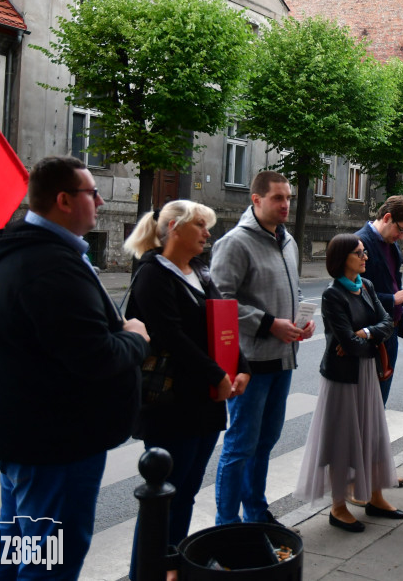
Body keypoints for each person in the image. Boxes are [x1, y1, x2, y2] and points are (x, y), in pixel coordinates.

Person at [0, 156, 150, 579]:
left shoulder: (24, 252)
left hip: (25, 435)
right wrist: (136, 338)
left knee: (14, 539)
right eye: (92, 192)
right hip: (57, 444)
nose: (102, 201)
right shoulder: (51, 266)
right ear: (64, 200)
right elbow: (96, 356)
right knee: (50, 559)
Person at [123, 201, 251, 579]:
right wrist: (217, 374)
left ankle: (171, 566)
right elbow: (171, 337)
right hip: (172, 403)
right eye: (200, 225)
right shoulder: (152, 275)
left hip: (205, 401)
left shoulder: (199, 270)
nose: (207, 233)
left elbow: (222, 321)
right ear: (175, 228)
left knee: (186, 492)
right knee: (164, 498)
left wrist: (240, 367)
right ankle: (146, 571)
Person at [212, 171, 316, 526]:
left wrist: (303, 318)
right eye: (277, 198)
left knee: (266, 440)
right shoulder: (235, 243)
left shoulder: (288, 241)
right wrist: (270, 322)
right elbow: (220, 302)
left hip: (283, 360)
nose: (286, 204)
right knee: (241, 445)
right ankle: (226, 524)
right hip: (250, 362)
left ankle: (256, 511)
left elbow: (295, 290)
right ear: (256, 200)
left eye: (288, 197)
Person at [295, 234, 403, 532]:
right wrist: (362, 338)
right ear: (343, 257)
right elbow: (345, 341)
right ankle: (338, 506)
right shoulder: (333, 295)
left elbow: (387, 324)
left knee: (371, 433)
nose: (365, 257)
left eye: (365, 252)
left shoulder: (367, 286)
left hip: (367, 372)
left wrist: (365, 334)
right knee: (342, 440)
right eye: (359, 253)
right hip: (343, 378)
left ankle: (375, 496)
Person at [355, 195, 403, 405]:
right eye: (400, 230)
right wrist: (393, 299)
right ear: (387, 218)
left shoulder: (390, 243)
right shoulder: (360, 242)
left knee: (380, 400)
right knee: (366, 403)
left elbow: (390, 283)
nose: (401, 236)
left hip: (390, 331)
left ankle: (373, 438)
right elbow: (356, 293)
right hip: (369, 333)